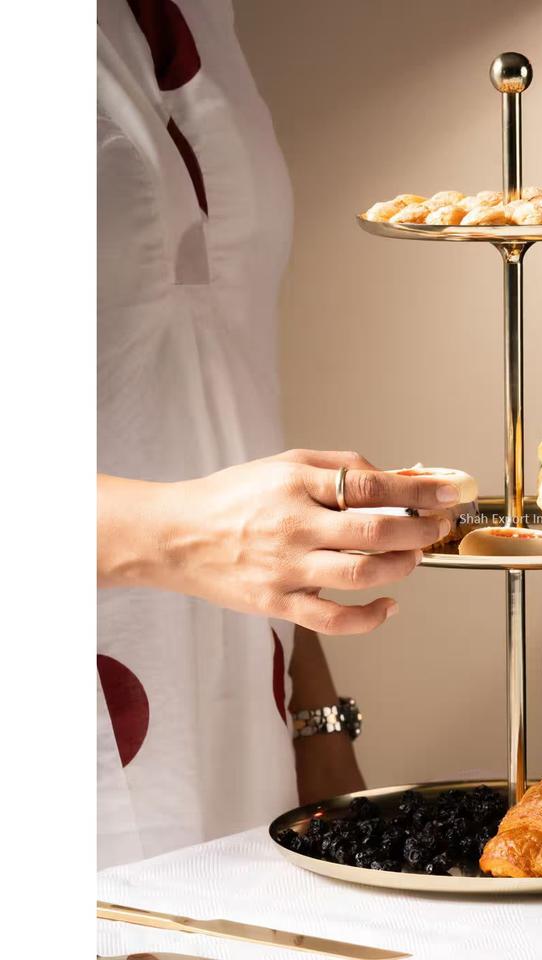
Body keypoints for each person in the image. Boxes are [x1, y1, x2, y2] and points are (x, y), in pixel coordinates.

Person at [96, 0, 449, 867]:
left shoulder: (198, 15)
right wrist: (181, 532)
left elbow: (220, 383)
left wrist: (315, 723)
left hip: (243, 721)